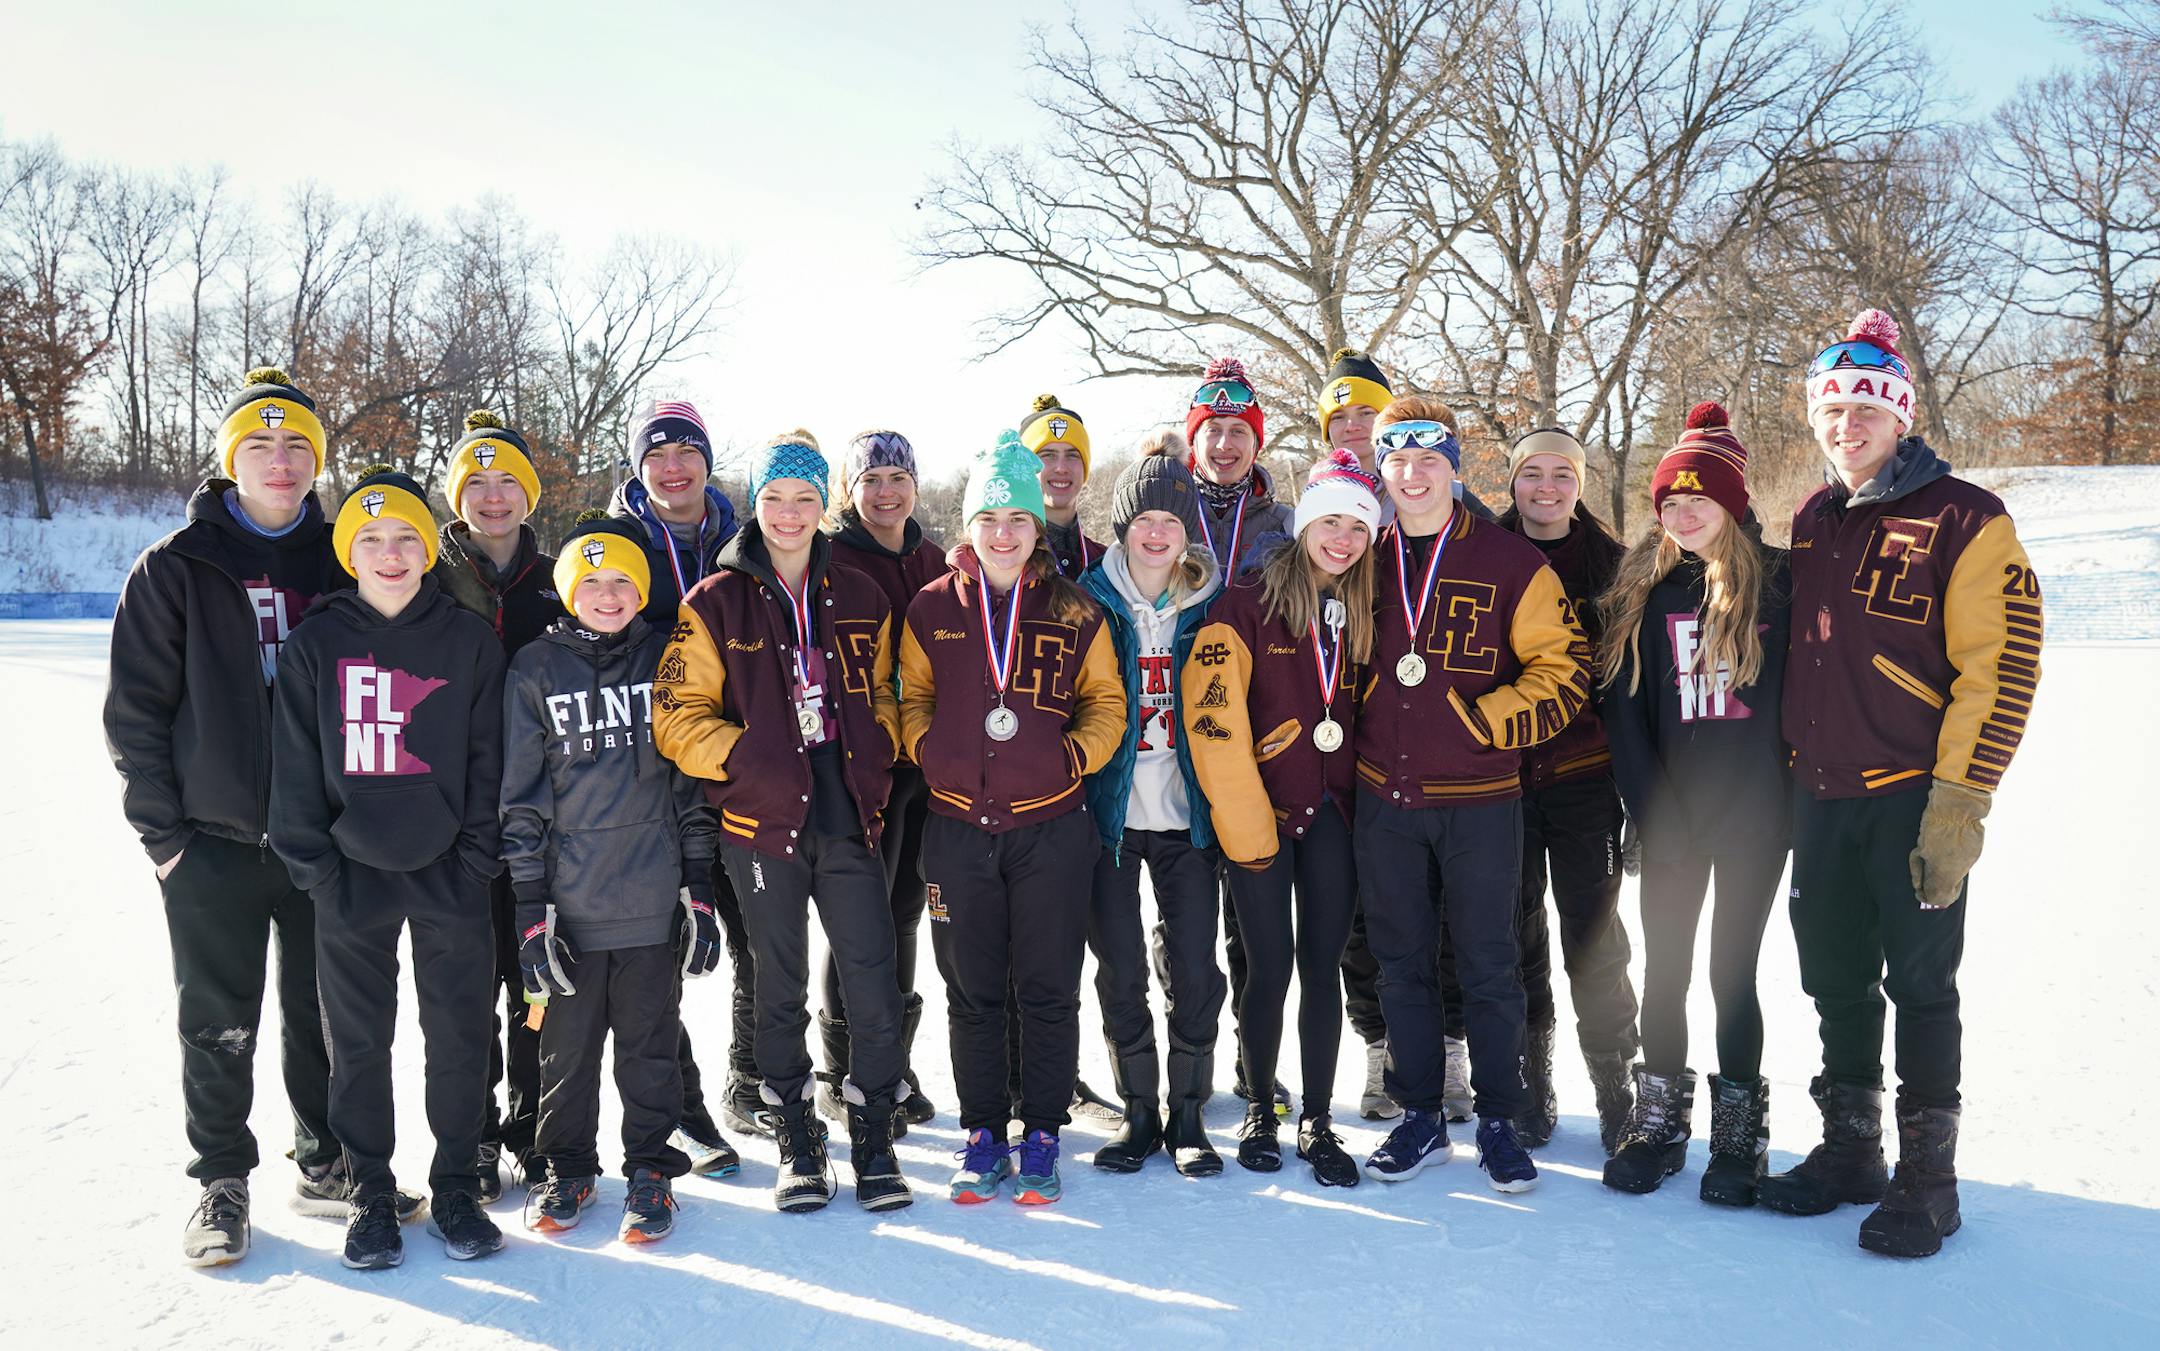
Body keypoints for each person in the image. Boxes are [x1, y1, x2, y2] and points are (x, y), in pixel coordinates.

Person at [1763, 310, 2043, 1258]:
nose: (1848, 425)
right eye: (1833, 409)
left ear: (1900, 415)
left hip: (1912, 794)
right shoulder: (1811, 518)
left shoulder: (1965, 515)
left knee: (1920, 983)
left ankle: (1931, 1180)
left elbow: (2000, 665)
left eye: (1865, 409)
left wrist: (1962, 800)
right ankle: (1852, 1150)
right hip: (1823, 793)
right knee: (1833, 976)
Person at [105, 366, 354, 1267]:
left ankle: (326, 1159)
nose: (281, 461)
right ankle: (221, 1179)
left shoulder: (345, 559)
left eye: (297, 445)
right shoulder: (176, 567)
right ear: (230, 458)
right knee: (218, 1016)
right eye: (261, 443)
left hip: (322, 836)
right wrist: (165, 841)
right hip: (212, 842)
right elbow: (134, 713)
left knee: (324, 1009)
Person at [654, 436, 912, 1215]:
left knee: (872, 974)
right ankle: (797, 1131)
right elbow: (674, 716)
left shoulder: (864, 592)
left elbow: (897, 689)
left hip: (846, 808)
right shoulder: (714, 600)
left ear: (821, 505)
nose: (790, 514)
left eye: (804, 499)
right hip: (760, 815)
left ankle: (872, 1127)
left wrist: (878, 749)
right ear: (755, 504)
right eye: (775, 500)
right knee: (778, 982)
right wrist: (749, 756)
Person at [268, 467, 506, 1270]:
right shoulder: (315, 644)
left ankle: (457, 1186)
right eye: (370, 539)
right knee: (359, 1044)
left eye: (406, 535)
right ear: (349, 551)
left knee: (460, 1037)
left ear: (428, 545)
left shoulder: (468, 640)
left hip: (449, 871)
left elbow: (489, 761)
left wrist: (474, 860)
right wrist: (322, 872)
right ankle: (370, 1190)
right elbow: (294, 771)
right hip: (352, 875)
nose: (391, 552)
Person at [1354, 396, 1590, 1195]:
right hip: (1384, 798)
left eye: (1431, 460)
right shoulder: (1359, 557)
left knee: (1491, 963)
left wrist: (1483, 722)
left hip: (1481, 797)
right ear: (1382, 469)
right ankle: (1420, 1113)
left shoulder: (1512, 562)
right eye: (1399, 460)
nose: (1414, 475)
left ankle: (1498, 1117)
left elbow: (1564, 674)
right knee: (1401, 961)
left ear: (1455, 468)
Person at [899, 434, 1125, 1206]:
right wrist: (928, 749)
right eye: (988, 516)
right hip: (956, 832)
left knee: (1049, 986)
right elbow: (908, 698)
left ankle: (1043, 1133)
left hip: (1051, 830)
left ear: (1038, 529)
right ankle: (983, 1131)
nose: (1002, 532)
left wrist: (1069, 759)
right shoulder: (931, 607)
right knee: (970, 985)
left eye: (1018, 519)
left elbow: (1108, 705)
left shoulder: (1074, 607)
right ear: (969, 526)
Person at [502, 514, 718, 1243]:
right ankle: (567, 1165)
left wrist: (699, 883)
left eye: (622, 579)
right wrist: (531, 905)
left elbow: (689, 785)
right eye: (590, 580)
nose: (606, 592)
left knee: (650, 1041)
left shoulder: (667, 657)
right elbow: (521, 796)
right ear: (567, 590)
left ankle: (651, 1167)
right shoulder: (534, 668)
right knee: (564, 1047)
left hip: (653, 895)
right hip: (570, 904)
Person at [1595, 404, 1791, 1204]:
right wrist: (1651, 810)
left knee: (1730, 974)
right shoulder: (1646, 590)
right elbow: (1622, 713)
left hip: (1753, 819)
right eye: (1670, 501)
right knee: (1666, 972)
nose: (1682, 512)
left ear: (1734, 502)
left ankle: (1738, 1135)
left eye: (1699, 498)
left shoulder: (1780, 581)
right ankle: (1661, 1123)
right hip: (1671, 820)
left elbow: (1802, 703)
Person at [1185, 449, 1382, 1187]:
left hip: (1336, 816)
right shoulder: (1244, 603)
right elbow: (1212, 722)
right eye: (1329, 520)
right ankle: (1262, 1102)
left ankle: (1319, 1117)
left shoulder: (1371, 606)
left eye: (1356, 526)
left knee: (1322, 969)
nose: (1341, 538)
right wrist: (1243, 818)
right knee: (1267, 968)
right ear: (1304, 524)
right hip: (1260, 818)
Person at [606, 398, 753, 1161]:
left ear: (705, 458)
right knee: (660, 946)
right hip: (646, 769)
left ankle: (752, 1076)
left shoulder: (744, 537)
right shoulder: (619, 541)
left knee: (756, 930)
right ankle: (682, 1106)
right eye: (656, 453)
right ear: (639, 467)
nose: (673, 466)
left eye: (685, 451)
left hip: (737, 756)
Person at [1078, 452, 1226, 1177]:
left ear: (1188, 530)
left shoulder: (1212, 601)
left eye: (1172, 518)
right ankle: (1139, 1111)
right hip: (1108, 816)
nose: (1158, 532)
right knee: (1121, 967)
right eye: (1145, 519)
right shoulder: (1086, 599)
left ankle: (1189, 1113)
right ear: (1124, 526)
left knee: (1196, 966)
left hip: (1188, 817)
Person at [1495, 426, 1642, 1154]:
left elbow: (1635, 688)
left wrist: (1642, 794)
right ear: (1512, 480)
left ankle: (1617, 1085)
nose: (1546, 488)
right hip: (1501, 783)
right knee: (1516, 933)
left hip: (1587, 781)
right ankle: (1532, 1080)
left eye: (1563, 474)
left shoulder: (1614, 566)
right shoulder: (1481, 554)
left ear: (1580, 484)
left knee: (1595, 937)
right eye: (1533, 474)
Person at [432, 408, 556, 1198]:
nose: (492, 494)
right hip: (455, 816)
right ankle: (473, 1133)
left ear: (529, 492)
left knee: (535, 984)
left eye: (507, 478)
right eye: (475, 481)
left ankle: (534, 1126)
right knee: (466, 987)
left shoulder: (561, 579)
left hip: (545, 820)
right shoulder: (429, 575)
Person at [818, 430, 948, 1130]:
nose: (887, 490)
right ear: (849, 488)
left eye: (899, 475)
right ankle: (842, 1070)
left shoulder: (934, 559)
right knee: (856, 924)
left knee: (903, 917)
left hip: (925, 766)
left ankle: (891, 1064)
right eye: (872, 478)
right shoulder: (832, 557)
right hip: (860, 765)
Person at [1021, 394, 1105, 578]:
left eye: (1072, 455)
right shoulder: (1006, 557)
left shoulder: (1108, 563)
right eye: (1048, 455)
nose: (1061, 468)